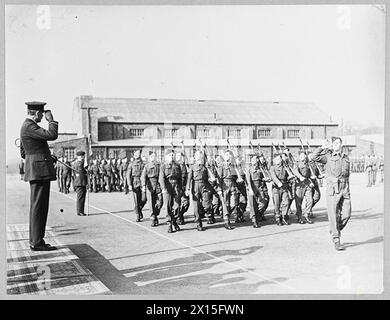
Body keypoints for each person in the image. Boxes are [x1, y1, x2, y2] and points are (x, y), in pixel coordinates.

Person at [19, 101, 58, 251]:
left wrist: (44, 156)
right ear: (36, 113)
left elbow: (24, 152)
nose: (42, 116)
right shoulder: (30, 125)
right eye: (42, 114)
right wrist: (52, 120)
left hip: (37, 169)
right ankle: (36, 242)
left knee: (39, 206)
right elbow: (52, 135)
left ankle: (37, 240)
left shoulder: (26, 126)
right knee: (39, 207)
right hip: (39, 171)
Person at [311, 137, 351, 251]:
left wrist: (347, 187)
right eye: (335, 143)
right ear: (332, 145)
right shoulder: (328, 156)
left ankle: (335, 229)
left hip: (345, 188)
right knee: (333, 214)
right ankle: (336, 239)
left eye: (339, 143)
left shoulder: (346, 157)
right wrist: (322, 148)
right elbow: (313, 157)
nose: (337, 145)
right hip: (333, 188)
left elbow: (347, 174)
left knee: (347, 214)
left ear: (341, 145)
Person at [186, 149, 215, 231]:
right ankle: (199, 223)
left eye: (200, 155)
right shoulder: (192, 167)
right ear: (195, 157)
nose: (199, 156)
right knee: (196, 206)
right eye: (197, 155)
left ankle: (206, 212)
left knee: (207, 204)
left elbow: (210, 177)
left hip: (204, 186)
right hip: (195, 186)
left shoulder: (205, 166)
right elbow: (189, 178)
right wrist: (187, 189)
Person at [159, 149, 182, 233]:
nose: (171, 157)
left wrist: (180, 188)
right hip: (168, 186)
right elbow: (161, 178)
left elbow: (180, 178)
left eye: (172, 155)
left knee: (177, 206)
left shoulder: (177, 165)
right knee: (168, 206)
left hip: (176, 186)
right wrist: (163, 188)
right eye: (170, 155)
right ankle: (169, 224)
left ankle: (174, 221)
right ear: (166, 156)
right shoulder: (163, 166)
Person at [216, 150, 239, 230]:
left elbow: (236, 176)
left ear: (231, 157)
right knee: (226, 204)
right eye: (226, 155)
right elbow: (218, 178)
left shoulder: (233, 165)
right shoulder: (221, 166)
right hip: (224, 184)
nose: (227, 156)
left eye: (229, 155)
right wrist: (219, 189)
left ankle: (226, 215)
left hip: (232, 185)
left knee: (233, 204)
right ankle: (227, 222)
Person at [246, 155, 269, 228]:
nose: (253, 161)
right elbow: (248, 180)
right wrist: (250, 188)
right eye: (252, 159)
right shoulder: (248, 168)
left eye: (255, 159)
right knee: (252, 204)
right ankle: (254, 220)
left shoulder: (260, 168)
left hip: (260, 186)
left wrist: (266, 179)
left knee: (264, 202)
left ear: (257, 161)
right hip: (252, 185)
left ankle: (257, 214)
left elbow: (264, 176)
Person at [141, 151, 163, 227]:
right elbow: (143, 176)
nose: (153, 158)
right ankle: (153, 218)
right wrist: (143, 186)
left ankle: (155, 214)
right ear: (149, 158)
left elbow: (161, 176)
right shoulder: (146, 166)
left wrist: (162, 186)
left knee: (160, 202)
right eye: (151, 157)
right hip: (149, 185)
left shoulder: (159, 165)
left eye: (154, 156)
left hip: (157, 184)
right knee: (151, 203)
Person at [292, 151, 314, 224]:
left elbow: (310, 173)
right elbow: (295, 171)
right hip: (299, 184)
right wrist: (300, 176)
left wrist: (312, 179)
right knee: (299, 202)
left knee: (310, 200)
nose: (303, 157)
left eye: (304, 155)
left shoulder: (308, 163)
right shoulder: (296, 163)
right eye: (301, 156)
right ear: (299, 156)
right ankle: (299, 216)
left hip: (307, 184)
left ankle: (306, 215)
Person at [269, 154, 290, 226]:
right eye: (276, 159)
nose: (278, 161)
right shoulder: (272, 168)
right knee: (277, 204)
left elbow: (288, 176)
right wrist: (278, 182)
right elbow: (273, 176)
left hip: (284, 187)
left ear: (281, 160)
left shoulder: (285, 167)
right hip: (276, 187)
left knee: (286, 202)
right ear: (274, 160)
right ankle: (278, 218)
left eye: (279, 159)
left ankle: (284, 216)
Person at [127, 149, 146, 222]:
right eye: (136, 153)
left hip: (142, 182)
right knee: (136, 200)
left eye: (138, 153)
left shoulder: (143, 163)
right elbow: (128, 175)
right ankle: (138, 215)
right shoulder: (131, 164)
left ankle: (138, 209)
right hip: (135, 182)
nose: (137, 154)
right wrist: (129, 184)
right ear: (134, 154)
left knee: (144, 198)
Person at [72, 151, 88, 216]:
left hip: (78, 182)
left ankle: (80, 211)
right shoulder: (80, 164)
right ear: (81, 156)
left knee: (81, 198)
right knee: (81, 198)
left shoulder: (76, 164)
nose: (84, 157)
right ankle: (80, 211)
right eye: (83, 156)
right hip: (80, 183)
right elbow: (81, 175)